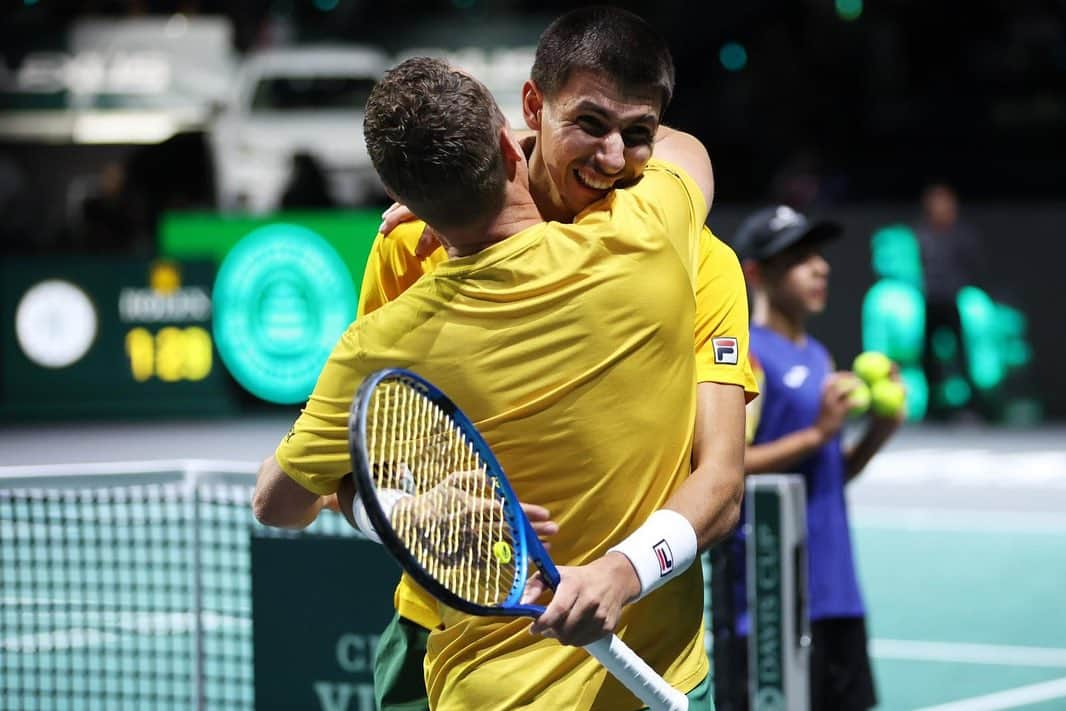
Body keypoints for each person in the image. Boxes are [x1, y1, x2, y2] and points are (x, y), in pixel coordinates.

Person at [253, 55, 736, 710]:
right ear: (520, 130)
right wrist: (408, 512)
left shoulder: (377, 341)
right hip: (449, 633)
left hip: (625, 664)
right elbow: (687, 149)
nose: (613, 152)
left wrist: (399, 517)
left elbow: (277, 502)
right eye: (590, 123)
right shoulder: (645, 240)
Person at [716, 205, 903, 711]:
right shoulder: (747, 354)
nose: (819, 268)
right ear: (756, 273)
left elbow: (830, 472)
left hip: (836, 588)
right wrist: (818, 433)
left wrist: (878, 431)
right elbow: (724, 469)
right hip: (770, 595)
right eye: (799, 258)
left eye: (818, 256)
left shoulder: (819, 355)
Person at [914, 182, 984, 419]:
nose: (939, 207)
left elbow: (971, 264)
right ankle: (934, 408)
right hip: (930, 302)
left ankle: (971, 408)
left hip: (951, 302)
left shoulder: (960, 235)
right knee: (928, 358)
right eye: (935, 202)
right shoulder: (921, 234)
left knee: (961, 357)